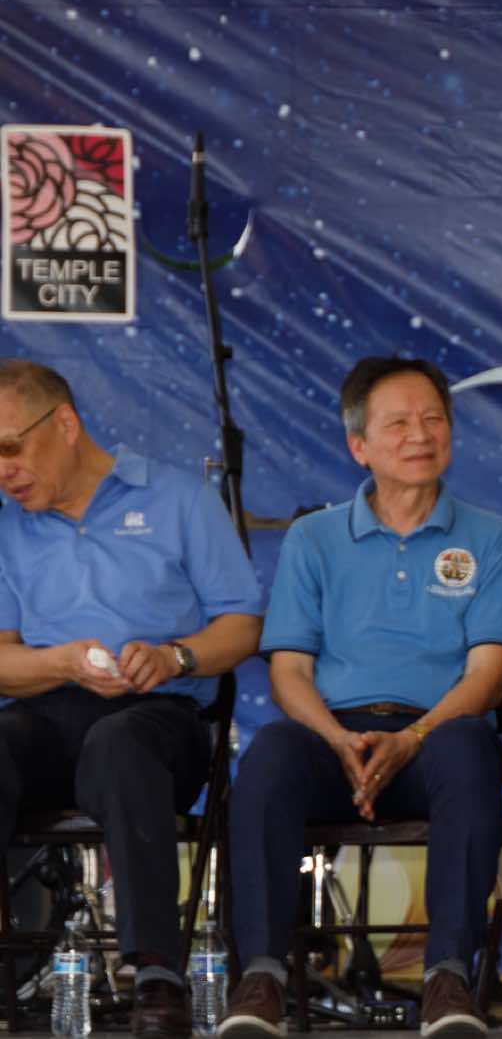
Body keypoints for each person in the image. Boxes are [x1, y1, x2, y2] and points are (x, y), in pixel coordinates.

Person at [220, 358, 502, 1039]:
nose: (421, 434)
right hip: (335, 740)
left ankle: (448, 978)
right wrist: (337, 740)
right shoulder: (314, 538)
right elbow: (289, 671)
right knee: (270, 755)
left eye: (434, 419)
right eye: (399, 423)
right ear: (358, 445)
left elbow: (487, 678)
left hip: (436, 736)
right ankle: (262, 977)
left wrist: (411, 740)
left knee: (469, 750)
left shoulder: (493, 538)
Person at [0, 360, 266, 1039]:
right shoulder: (6, 526)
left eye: (10, 447)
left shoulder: (178, 498)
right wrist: (60, 661)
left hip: (159, 714)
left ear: (65, 423)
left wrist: (177, 655)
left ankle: (155, 974)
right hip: (48, 712)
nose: (4, 471)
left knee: (120, 745)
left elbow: (243, 624)